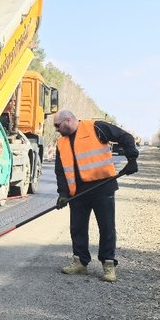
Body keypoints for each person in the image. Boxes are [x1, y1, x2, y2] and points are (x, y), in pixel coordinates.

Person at [53, 110, 138, 282]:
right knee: (77, 228)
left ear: (68, 120)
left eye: (57, 125)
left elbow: (125, 137)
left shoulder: (96, 127)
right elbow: (60, 171)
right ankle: (80, 262)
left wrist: (132, 158)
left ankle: (108, 266)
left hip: (102, 187)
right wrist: (62, 194)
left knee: (106, 227)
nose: (56, 129)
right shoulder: (61, 143)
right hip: (77, 192)